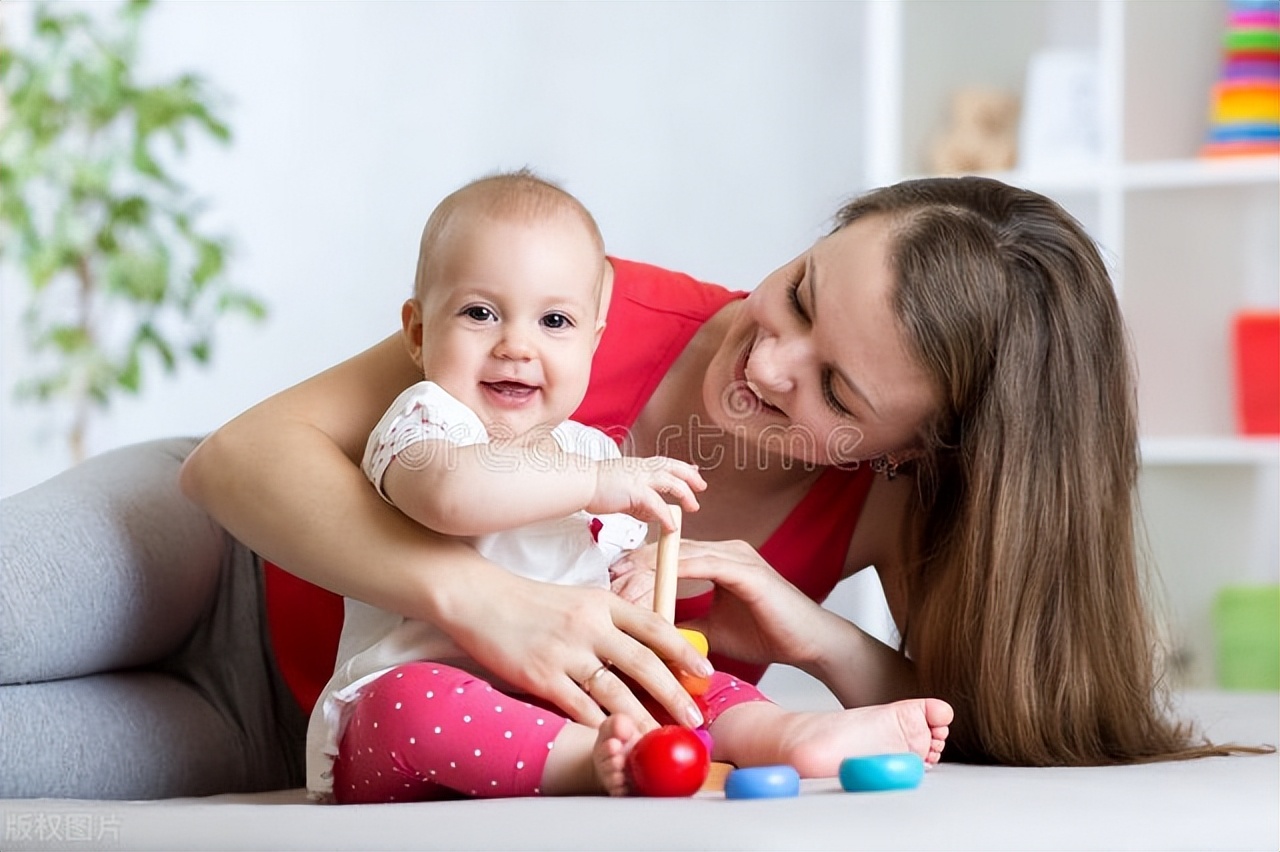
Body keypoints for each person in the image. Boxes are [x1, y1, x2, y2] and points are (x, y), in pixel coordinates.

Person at [0, 176, 1256, 801]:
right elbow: (240, 465)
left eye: (834, 393)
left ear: (910, 454)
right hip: (210, 554)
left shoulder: (889, 503)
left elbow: (977, 713)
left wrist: (820, 638)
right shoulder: (572, 307)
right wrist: (479, 600)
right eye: (801, 293)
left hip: (303, 731)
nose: (762, 361)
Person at [309, 171, 950, 803]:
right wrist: (596, 483)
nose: (516, 345)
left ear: (595, 342)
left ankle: (786, 734)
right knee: (412, 706)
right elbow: (452, 496)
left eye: (554, 323)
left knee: (686, 675)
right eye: (480, 314)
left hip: (571, 695)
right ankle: (590, 764)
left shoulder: (586, 447)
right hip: (404, 706)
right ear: (419, 333)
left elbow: (602, 581)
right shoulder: (427, 421)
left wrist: (638, 585)